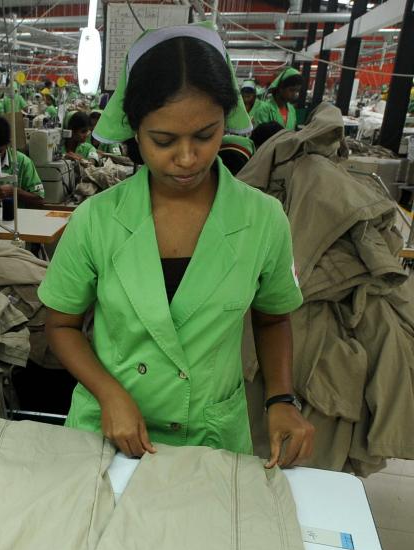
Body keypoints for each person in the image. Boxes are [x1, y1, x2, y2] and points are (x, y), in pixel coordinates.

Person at [41, 22, 313, 468]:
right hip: (108, 433)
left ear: (227, 119)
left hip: (209, 434)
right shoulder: (97, 220)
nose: (187, 159)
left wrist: (280, 399)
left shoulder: (263, 221)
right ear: (134, 130)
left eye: (205, 135)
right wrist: (110, 394)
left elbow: (272, 319)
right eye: (163, 141)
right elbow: (62, 326)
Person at [0, 114, 46, 208]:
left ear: (8, 144)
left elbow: (40, 200)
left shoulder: (23, 162)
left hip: (16, 219)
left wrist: (16, 192)